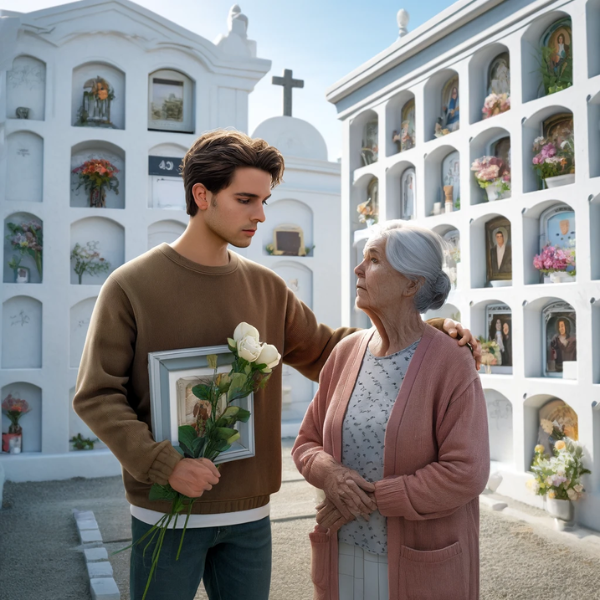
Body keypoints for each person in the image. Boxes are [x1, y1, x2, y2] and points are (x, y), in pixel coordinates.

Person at [73, 130, 481, 600]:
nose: (261, 215)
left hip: (249, 518)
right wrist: (164, 465)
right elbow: (97, 394)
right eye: (246, 199)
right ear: (201, 195)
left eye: (265, 200)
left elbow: (331, 351)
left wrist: (426, 332)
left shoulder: (267, 287)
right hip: (165, 510)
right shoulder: (130, 286)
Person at [293, 221, 490, 600]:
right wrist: (330, 475)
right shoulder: (345, 352)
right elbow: (306, 443)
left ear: (412, 285)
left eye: (374, 259)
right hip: (342, 553)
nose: (358, 269)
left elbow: (466, 472)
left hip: (420, 565)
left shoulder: (451, 362)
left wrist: (372, 498)